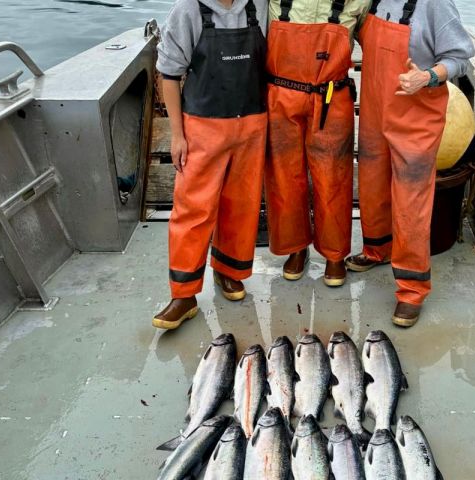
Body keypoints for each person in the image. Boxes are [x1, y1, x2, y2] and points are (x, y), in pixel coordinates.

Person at [345, 0, 473, 327]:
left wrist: (428, 77)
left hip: (416, 117)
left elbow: (459, 57)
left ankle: (412, 289)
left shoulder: (435, 4)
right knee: (373, 183)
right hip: (376, 110)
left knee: (411, 202)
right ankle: (377, 248)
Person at [151, 0, 268, 329]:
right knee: (193, 208)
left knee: (242, 204)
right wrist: (177, 135)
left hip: (253, 122)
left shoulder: (258, 5)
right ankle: (184, 294)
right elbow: (170, 75)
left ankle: (229, 271)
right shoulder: (187, 9)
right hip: (203, 127)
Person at [263, 0, 369, 287]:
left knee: (333, 178)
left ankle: (335, 255)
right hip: (281, 96)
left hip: (331, 98)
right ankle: (295, 248)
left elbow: (378, 36)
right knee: (284, 178)